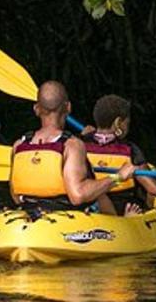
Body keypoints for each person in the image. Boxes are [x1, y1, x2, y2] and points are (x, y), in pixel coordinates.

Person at [8, 80, 131, 214]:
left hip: (29, 215)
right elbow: (77, 195)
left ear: (36, 109)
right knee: (100, 193)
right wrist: (118, 177)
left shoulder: (19, 145)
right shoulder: (72, 145)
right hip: (65, 221)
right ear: (68, 108)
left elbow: (16, 195)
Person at [83, 94, 156, 214]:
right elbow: (155, 190)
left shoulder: (79, 144)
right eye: (127, 122)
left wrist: (84, 136)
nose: (128, 126)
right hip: (123, 212)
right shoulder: (130, 150)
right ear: (118, 122)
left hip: (93, 206)